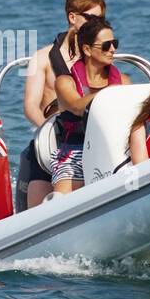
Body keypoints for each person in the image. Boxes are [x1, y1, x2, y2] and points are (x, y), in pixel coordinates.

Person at [16, 0, 107, 211]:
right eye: (91, 18)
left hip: (91, 137)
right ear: (72, 17)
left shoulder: (102, 56)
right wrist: (48, 133)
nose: (97, 24)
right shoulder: (43, 58)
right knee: (37, 215)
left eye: (101, 19)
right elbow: (30, 105)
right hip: (51, 141)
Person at [50, 16, 131, 195]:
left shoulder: (124, 81)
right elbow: (78, 107)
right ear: (87, 49)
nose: (113, 50)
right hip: (75, 153)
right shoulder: (65, 82)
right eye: (106, 45)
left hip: (114, 149)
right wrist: (110, 91)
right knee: (62, 200)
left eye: (114, 43)